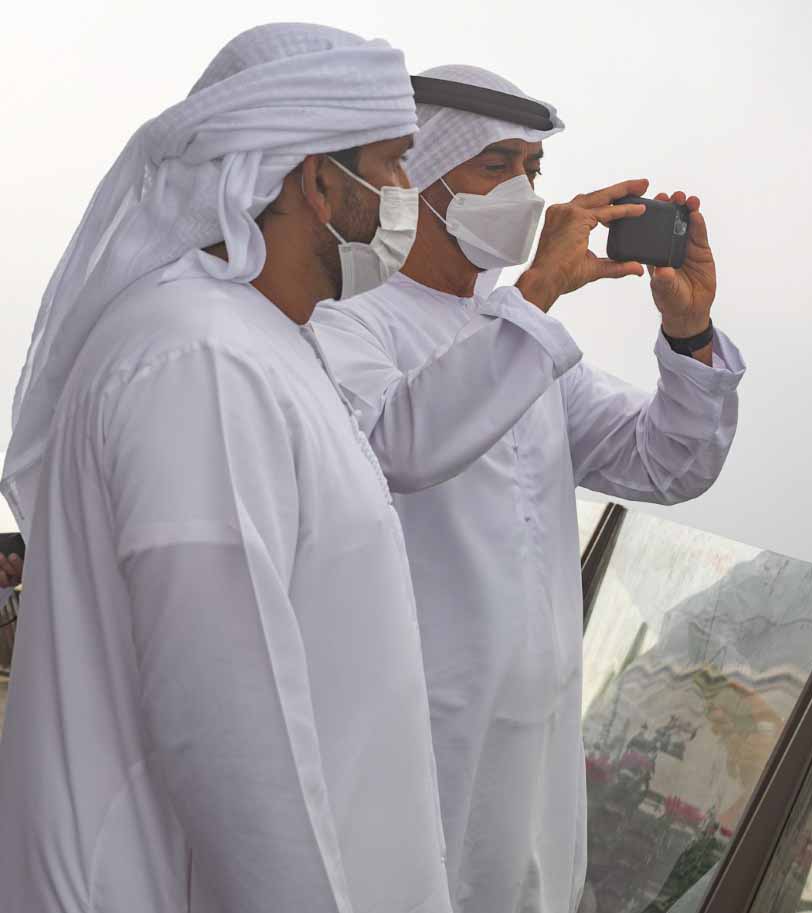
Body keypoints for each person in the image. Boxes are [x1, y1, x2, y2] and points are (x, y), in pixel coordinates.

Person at [0, 25, 454, 913]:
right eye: (394, 165)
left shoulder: (264, 344)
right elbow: (227, 727)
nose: (407, 196)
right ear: (319, 183)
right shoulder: (197, 357)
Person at [310, 64, 745, 913]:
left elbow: (667, 462)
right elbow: (400, 443)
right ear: (418, 178)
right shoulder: (346, 319)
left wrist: (687, 331)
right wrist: (538, 290)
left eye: (532, 170)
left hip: (533, 737)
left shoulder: (513, 334)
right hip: (407, 732)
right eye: (495, 166)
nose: (523, 191)